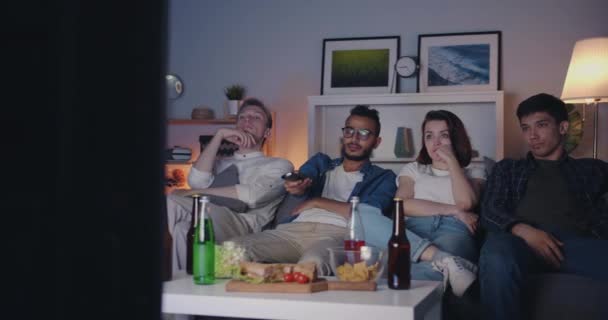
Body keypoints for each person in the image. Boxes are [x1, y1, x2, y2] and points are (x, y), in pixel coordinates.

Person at [479, 93, 608, 320]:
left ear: (563, 127)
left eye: (541, 125)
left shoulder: (592, 170)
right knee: (496, 255)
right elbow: (489, 210)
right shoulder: (508, 169)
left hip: (572, 247)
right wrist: (524, 231)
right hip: (517, 244)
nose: (532, 136)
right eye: (526, 128)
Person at [229, 105, 396, 275]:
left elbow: (367, 215)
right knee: (232, 250)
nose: (354, 139)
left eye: (364, 134)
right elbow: (303, 178)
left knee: (311, 265)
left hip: (337, 234)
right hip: (292, 231)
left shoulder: (384, 178)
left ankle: (278, 281)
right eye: (349, 131)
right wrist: (297, 187)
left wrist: (317, 201)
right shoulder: (321, 162)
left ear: (376, 142)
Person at [360, 110, 483, 297]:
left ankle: (438, 267)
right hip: (412, 231)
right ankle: (445, 260)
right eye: (429, 136)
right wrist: (454, 211)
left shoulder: (474, 171)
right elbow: (401, 205)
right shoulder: (414, 169)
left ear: (456, 138)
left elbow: (466, 203)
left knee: (421, 274)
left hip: (452, 231)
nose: (436, 143)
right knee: (361, 214)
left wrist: (451, 161)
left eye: (444, 135)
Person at [166, 97, 293, 274]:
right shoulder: (220, 162)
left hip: (244, 225)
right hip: (210, 216)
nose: (247, 120)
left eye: (256, 117)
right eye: (242, 117)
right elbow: (195, 180)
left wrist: (192, 193)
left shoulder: (279, 165)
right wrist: (219, 136)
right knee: (182, 229)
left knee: (172, 200)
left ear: (267, 133)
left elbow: (254, 196)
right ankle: (182, 284)